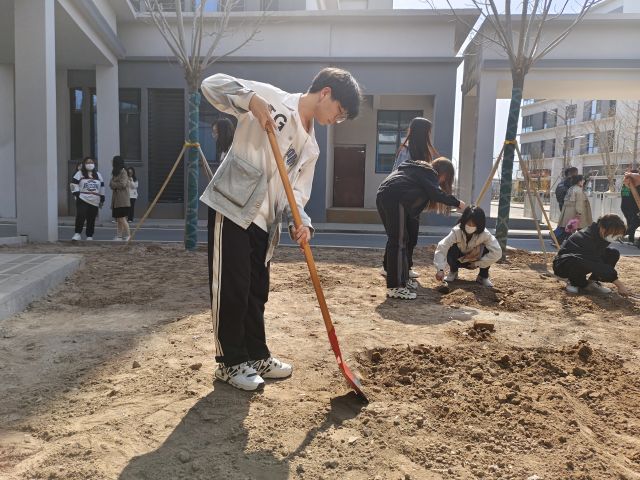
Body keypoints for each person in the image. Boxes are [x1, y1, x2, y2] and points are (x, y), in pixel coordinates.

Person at [199, 68, 362, 391]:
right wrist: (251, 100)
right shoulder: (272, 99)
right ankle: (230, 362)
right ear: (326, 93)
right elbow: (210, 85)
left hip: (266, 220)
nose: (336, 120)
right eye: (339, 113)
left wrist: (301, 222)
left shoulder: (311, 148)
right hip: (233, 204)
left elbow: (297, 193)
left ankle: (256, 354)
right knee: (232, 286)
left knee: (256, 291)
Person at [377, 154, 465, 300]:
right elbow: (436, 194)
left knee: (403, 239)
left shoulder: (418, 172)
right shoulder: (428, 172)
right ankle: (395, 286)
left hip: (389, 196)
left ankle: (402, 280)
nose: (444, 182)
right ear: (443, 173)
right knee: (398, 241)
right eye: (447, 178)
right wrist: (457, 203)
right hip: (394, 197)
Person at [380, 119, 441, 282]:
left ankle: (406, 266)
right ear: (422, 132)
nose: (429, 135)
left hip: (413, 200)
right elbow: (398, 173)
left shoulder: (424, 152)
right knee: (398, 236)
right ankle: (389, 268)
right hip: (401, 198)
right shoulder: (406, 150)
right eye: (428, 132)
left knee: (411, 236)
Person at [553, 214, 631, 296]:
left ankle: (592, 282)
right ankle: (573, 282)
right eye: (614, 234)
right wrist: (619, 284)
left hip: (585, 260)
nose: (615, 237)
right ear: (603, 228)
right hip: (563, 265)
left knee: (612, 253)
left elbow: (596, 258)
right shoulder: (585, 237)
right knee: (579, 260)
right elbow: (594, 261)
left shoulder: (600, 234)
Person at [433, 205, 501, 288]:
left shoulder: (485, 234)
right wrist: (440, 269)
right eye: (469, 222)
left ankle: (483, 276)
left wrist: (478, 263)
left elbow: (497, 252)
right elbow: (442, 247)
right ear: (464, 221)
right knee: (451, 247)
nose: (471, 226)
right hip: (458, 259)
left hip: (475, 260)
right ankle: (453, 271)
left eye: (474, 223)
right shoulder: (456, 231)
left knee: (488, 248)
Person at [70, 157, 105, 241]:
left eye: (91, 162)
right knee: (80, 216)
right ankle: (77, 233)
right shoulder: (79, 173)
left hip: (94, 200)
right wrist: (77, 194)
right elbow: (73, 184)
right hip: (82, 199)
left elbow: (102, 187)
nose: (90, 164)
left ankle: (89, 235)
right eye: (88, 162)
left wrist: (102, 197)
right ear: (84, 164)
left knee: (91, 219)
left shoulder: (98, 175)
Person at [556, 174, 592, 243]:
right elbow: (579, 203)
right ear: (579, 181)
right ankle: (559, 241)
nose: (583, 181)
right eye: (582, 180)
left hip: (569, 212)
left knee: (570, 229)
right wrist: (579, 213)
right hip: (576, 214)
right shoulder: (578, 190)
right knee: (579, 229)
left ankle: (560, 241)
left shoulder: (571, 188)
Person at [552, 166, 578, 240]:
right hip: (569, 206)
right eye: (576, 173)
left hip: (562, 205)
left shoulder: (561, 183)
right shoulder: (570, 182)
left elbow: (557, 193)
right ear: (571, 173)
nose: (577, 174)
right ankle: (558, 238)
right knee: (569, 224)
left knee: (565, 223)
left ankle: (558, 237)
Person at [110, 156, 131, 241]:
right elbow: (110, 184)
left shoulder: (123, 171)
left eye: (113, 161)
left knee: (122, 218)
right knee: (119, 219)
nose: (111, 162)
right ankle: (119, 236)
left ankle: (129, 235)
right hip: (116, 200)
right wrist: (114, 184)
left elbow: (122, 184)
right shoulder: (115, 172)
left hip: (122, 200)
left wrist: (114, 183)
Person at [620, 168, 640, 245]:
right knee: (635, 223)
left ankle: (630, 239)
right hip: (633, 208)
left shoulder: (624, 185)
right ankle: (622, 234)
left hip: (624, 207)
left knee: (630, 222)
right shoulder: (635, 186)